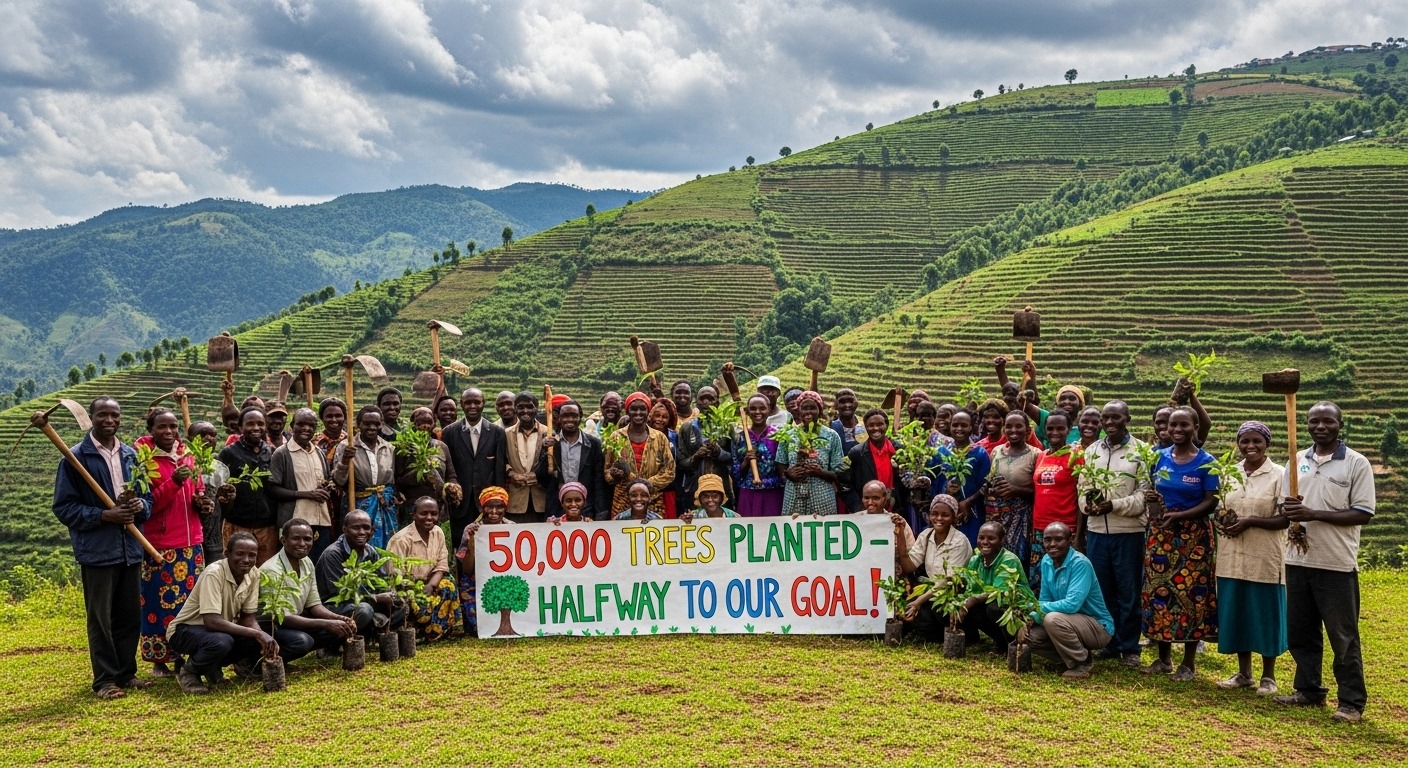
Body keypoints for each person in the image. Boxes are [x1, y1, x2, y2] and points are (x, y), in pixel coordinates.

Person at [1275, 401, 1374, 723]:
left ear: (1339, 425)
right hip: (1297, 559)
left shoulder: (1356, 463)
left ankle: (1351, 702)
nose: (1320, 426)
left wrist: (1313, 513)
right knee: (1301, 631)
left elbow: (1363, 513)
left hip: (1336, 563)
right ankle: (1308, 690)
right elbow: (1283, 507)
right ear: (1306, 424)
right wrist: (1288, 510)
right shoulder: (1296, 461)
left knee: (1342, 635)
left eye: (1328, 421)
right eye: (1314, 421)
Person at [52, 396, 154, 700]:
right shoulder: (74, 458)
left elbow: (148, 499)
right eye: (103, 415)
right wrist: (104, 516)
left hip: (130, 548)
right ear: (91, 418)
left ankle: (126, 673)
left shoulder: (132, 456)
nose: (110, 420)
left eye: (115, 415)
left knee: (129, 615)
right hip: (98, 551)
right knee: (101, 618)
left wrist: (140, 506)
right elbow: (64, 507)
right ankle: (105, 680)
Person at [1142, 405, 1218, 681]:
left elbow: (1211, 501)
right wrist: (1154, 505)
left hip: (1193, 538)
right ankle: (1163, 659)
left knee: (1192, 595)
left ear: (1195, 428)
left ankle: (1188, 663)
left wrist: (1179, 516)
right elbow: (1152, 490)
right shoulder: (1158, 457)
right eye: (1173, 425)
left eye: (1184, 425)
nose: (1176, 430)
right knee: (1159, 592)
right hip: (1161, 535)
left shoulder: (1206, 462)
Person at [1216, 421, 1288, 697]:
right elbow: (1220, 508)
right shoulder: (1229, 473)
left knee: (1265, 614)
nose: (1250, 446)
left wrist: (1250, 521)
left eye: (1257, 441)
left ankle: (1269, 676)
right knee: (1239, 612)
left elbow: (1285, 519)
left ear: (1267, 444)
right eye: (1245, 441)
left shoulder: (1279, 475)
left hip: (1264, 556)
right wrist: (1222, 520)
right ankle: (1244, 673)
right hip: (1232, 555)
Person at [135, 408, 209, 678]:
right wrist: (173, 482)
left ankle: (185, 654)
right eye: (162, 427)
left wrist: (203, 502)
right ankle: (160, 660)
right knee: (160, 604)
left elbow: (197, 489)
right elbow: (147, 506)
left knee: (190, 604)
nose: (169, 432)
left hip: (192, 543)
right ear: (151, 430)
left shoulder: (188, 455)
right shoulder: (143, 460)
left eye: (173, 426)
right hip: (161, 545)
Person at [1078, 401, 1150, 669]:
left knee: (1129, 591)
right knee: (1103, 590)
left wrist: (1114, 505)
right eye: (1105, 418)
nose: (1109, 422)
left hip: (1128, 532)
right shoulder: (1092, 451)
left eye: (1115, 417)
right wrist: (1087, 506)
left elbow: (1143, 495)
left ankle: (1130, 646)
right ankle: (1110, 641)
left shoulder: (1141, 451)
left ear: (1127, 419)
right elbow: (1083, 487)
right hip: (1097, 531)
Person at [166, 532, 278, 695]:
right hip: (185, 630)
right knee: (222, 641)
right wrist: (257, 634)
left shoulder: (253, 573)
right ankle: (189, 672)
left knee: (257, 636)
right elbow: (212, 621)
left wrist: (262, 637)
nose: (246, 560)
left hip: (217, 631)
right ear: (227, 553)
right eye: (240, 554)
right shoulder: (214, 573)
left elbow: (248, 619)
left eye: (252, 555)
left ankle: (212, 666)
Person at [258, 519, 358, 664]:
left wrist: (339, 619)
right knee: (302, 641)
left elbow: (314, 605)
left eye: (307, 539)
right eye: (296, 538)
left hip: (295, 621)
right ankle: (258, 662)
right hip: (271, 627)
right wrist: (326, 624)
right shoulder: (271, 570)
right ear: (283, 540)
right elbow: (282, 618)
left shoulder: (307, 562)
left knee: (344, 623)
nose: (302, 544)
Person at [1025, 522, 1114, 679]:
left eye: (1058, 539)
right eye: (1047, 540)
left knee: (1052, 619)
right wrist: (1032, 617)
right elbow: (1045, 599)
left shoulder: (1080, 563)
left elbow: (1072, 604)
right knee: (1028, 637)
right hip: (1066, 621)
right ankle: (1068, 659)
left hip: (1097, 627)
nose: (1052, 544)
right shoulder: (1046, 561)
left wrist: (1034, 608)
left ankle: (1081, 663)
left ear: (1070, 540)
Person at [316, 510, 407, 638]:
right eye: (356, 528)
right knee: (364, 610)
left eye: (366, 528)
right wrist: (375, 598)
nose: (362, 532)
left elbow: (381, 582)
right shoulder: (332, 554)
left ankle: (375, 634)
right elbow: (338, 594)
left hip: (365, 601)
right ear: (345, 530)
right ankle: (334, 641)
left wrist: (391, 594)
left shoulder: (370, 552)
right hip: (336, 607)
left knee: (402, 602)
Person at [441, 387, 508, 551]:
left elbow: (499, 470)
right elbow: (447, 468)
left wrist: (498, 501)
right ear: (461, 405)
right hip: (459, 502)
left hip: (487, 502)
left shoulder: (497, 432)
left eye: (476, 402)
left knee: (487, 546)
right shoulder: (449, 432)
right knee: (460, 545)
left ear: (483, 403)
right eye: (468, 402)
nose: (472, 406)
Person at [387, 497, 461, 642]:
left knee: (448, 583)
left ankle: (439, 629)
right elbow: (396, 576)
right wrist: (417, 589)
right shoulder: (400, 540)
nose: (429, 518)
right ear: (413, 515)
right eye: (424, 513)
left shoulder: (438, 532)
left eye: (434, 514)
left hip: (430, 582)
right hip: (408, 588)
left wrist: (431, 585)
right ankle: (417, 632)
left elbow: (442, 564)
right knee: (413, 602)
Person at [902, 494, 973, 643]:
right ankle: (940, 635)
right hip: (932, 591)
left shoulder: (959, 541)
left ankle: (966, 633)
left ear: (953, 518)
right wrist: (900, 536)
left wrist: (919, 601)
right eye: (934, 514)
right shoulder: (926, 535)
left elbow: (948, 581)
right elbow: (909, 566)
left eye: (945, 515)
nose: (938, 518)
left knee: (937, 608)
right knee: (912, 612)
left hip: (954, 593)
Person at [268, 408, 334, 562]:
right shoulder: (282, 453)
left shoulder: (319, 453)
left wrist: (325, 489)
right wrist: (307, 494)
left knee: (318, 564)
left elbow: (326, 480)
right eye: (301, 424)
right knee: (293, 565)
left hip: (320, 521)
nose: (306, 428)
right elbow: (272, 489)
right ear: (292, 427)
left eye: (311, 425)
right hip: (294, 523)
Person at [959, 521, 1033, 653]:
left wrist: (973, 600)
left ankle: (1013, 643)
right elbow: (971, 589)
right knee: (970, 606)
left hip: (1015, 605)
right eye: (981, 538)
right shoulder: (975, 560)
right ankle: (1000, 642)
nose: (985, 542)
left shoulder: (1008, 560)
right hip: (988, 601)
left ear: (1001, 540)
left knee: (995, 607)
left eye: (991, 538)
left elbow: (1000, 592)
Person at [217, 407, 278, 563]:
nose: (256, 428)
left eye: (260, 424)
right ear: (240, 427)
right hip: (237, 524)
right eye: (250, 424)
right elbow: (218, 487)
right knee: (236, 568)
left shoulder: (273, 452)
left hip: (267, 527)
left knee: (265, 571)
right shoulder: (228, 453)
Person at [332, 406, 398, 549]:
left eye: (376, 424)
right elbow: (339, 481)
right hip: (359, 504)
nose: (372, 427)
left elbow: (392, 479)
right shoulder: (346, 446)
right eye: (367, 423)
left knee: (388, 546)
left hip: (384, 505)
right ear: (359, 424)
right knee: (359, 542)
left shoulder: (388, 448)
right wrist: (345, 461)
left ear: (381, 424)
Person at [604, 392, 675, 518]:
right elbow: (607, 471)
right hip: (623, 500)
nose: (638, 413)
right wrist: (614, 475)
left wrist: (645, 485)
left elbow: (669, 471)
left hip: (652, 499)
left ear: (648, 411)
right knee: (622, 530)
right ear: (627, 411)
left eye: (642, 409)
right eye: (634, 409)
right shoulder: (616, 437)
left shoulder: (659, 438)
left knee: (653, 530)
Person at [928, 410, 991, 546]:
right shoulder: (941, 452)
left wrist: (968, 502)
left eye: (964, 425)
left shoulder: (980, 453)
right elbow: (933, 481)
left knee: (968, 547)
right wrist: (946, 493)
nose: (959, 429)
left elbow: (985, 484)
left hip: (971, 513)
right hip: (943, 514)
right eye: (955, 425)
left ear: (971, 427)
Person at [538, 400, 610, 519]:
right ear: (559, 418)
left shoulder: (593, 444)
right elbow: (542, 478)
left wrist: (600, 512)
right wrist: (547, 451)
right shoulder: (551, 443)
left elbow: (598, 481)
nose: (569, 420)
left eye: (574, 416)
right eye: (565, 416)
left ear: (580, 417)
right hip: (557, 508)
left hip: (585, 508)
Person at [985, 412, 1037, 575]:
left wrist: (1016, 490)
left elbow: (1038, 491)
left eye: (1018, 426)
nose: (1013, 430)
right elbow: (989, 480)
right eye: (1009, 426)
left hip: (1021, 518)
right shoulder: (996, 452)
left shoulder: (1035, 454)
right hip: (997, 516)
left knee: (1018, 559)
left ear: (1027, 429)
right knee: (994, 556)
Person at [776, 391, 843, 516]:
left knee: (822, 526)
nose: (808, 412)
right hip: (793, 494)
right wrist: (788, 474)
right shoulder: (788, 435)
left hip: (822, 495)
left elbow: (838, 472)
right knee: (793, 526)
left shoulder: (831, 436)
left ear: (820, 410)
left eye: (812, 408)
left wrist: (820, 472)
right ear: (798, 411)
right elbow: (780, 463)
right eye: (804, 408)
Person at [457, 487, 514, 633]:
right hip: (478, 580)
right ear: (482, 508)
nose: (494, 512)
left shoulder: (513, 527)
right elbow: (467, 570)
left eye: (499, 507)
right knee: (479, 625)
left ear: (505, 508)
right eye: (489, 507)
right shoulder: (472, 529)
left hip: (505, 580)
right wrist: (471, 543)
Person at [392, 406, 458, 526]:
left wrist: (452, 488)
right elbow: (396, 480)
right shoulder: (403, 448)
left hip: (438, 506)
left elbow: (451, 476)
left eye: (428, 423)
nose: (425, 427)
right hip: (412, 506)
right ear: (414, 424)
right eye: (420, 423)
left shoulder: (442, 447)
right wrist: (419, 472)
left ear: (434, 424)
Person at [676, 389, 735, 514]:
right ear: (696, 403)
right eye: (702, 398)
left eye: (710, 399)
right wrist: (696, 456)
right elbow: (681, 463)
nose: (706, 402)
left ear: (717, 402)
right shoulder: (687, 428)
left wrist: (718, 452)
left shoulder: (727, 428)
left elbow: (734, 459)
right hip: (694, 489)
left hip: (722, 489)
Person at [1032, 411, 1079, 561]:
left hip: (1065, 528)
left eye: (1060, 428)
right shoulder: (1041, 456)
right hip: (1040, 527)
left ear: (1068, 429)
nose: (1055, 433)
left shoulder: (1076, 456)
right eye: (1050, 428)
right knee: (1041, 571)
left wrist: (1078, 535)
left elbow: (1080, 495)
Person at [842, 409, 908, 516]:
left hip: (895, 510)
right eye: (871, 425)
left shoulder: (899, 451)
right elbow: (845, 483)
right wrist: (858, 506)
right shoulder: (857, 453)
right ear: (866, 427)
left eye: (880, 424)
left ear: (886, 425)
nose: (876, 428)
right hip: (867, 512)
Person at [732, 394, 784, 517]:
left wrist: (767, 482)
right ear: (747, 412)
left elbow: (782, 470)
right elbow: (736, 474)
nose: (757, 412)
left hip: (772, 494)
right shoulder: (740, 437)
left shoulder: (778, 435)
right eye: (753, 409)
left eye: (762, 408)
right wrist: (746, 461)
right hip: (747, 493)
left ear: (769, 410)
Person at [505, 391, 549, 523]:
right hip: (515, 499)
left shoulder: (548, 433)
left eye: (530, 407)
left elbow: (553, 461)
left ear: (536, 408)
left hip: (541, 499)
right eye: (521, 407)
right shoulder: (506, 434)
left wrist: (538, 475)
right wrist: (511, 474)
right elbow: (501, 460)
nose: (525, 411)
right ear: (515, 409)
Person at [188, 420, 229, 561]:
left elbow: (225, 509)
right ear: (189, 438)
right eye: (203, 434)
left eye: (213, 435)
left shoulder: (221, 468)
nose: (209, 438)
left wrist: (228, 498)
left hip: (213, 536)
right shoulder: (182, 465)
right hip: (188, 536)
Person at [648, 398, 683, 518]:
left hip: (669, 490)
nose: (660, 420)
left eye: (664, 417)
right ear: (651, 416)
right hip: (647, 489)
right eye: (657, 415)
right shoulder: (644, 434)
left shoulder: (674, 436)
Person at [830, 388, 865, 455]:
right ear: (836, 405)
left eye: (851, 401)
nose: (847, 405)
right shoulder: (830, 427)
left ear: (856, 404)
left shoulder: (865, 425)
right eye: (842, 402)